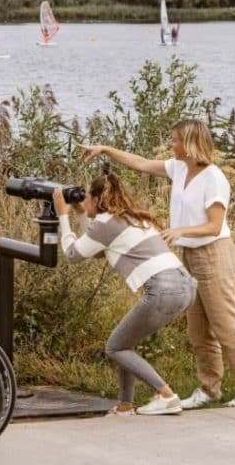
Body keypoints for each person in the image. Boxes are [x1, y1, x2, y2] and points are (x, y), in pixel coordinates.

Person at [80, 119, 235, 409]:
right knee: (198, 330)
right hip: (190, 255)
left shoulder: (214, 178)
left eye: (175, 140)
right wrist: (105, 149)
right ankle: (209, 389)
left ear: (190, 143)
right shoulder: (179, 168)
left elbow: (215, 226)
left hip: (213, 253)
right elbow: (140, 164)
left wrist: (180, 231)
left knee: (225, 324)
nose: (171, 144)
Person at [53, 171, 195, 416]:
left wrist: (62, 216)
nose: (83, 199)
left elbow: (73, 254)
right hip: (185, 285)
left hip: (163, 289)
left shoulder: (107, 224)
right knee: (125, 344)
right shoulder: (130, 218)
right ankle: (125, 405)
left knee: (115, 347)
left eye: (86, 196)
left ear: (97, 199)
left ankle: (166, 395)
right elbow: (96, 247)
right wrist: (80, 212)